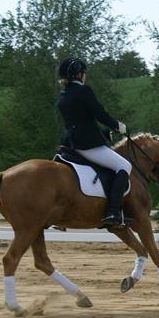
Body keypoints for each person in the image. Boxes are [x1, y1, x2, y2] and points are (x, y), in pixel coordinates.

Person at [56, 57, 131, 228]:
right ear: (79, 74)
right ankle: (112, 211)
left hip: (68, 143)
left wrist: (103, 133)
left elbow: (80, 120)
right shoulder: (84, 91)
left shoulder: (63, 95)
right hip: (86, 145)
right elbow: (99, 114)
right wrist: (118, 126)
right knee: (124, 166)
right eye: (84, 73)